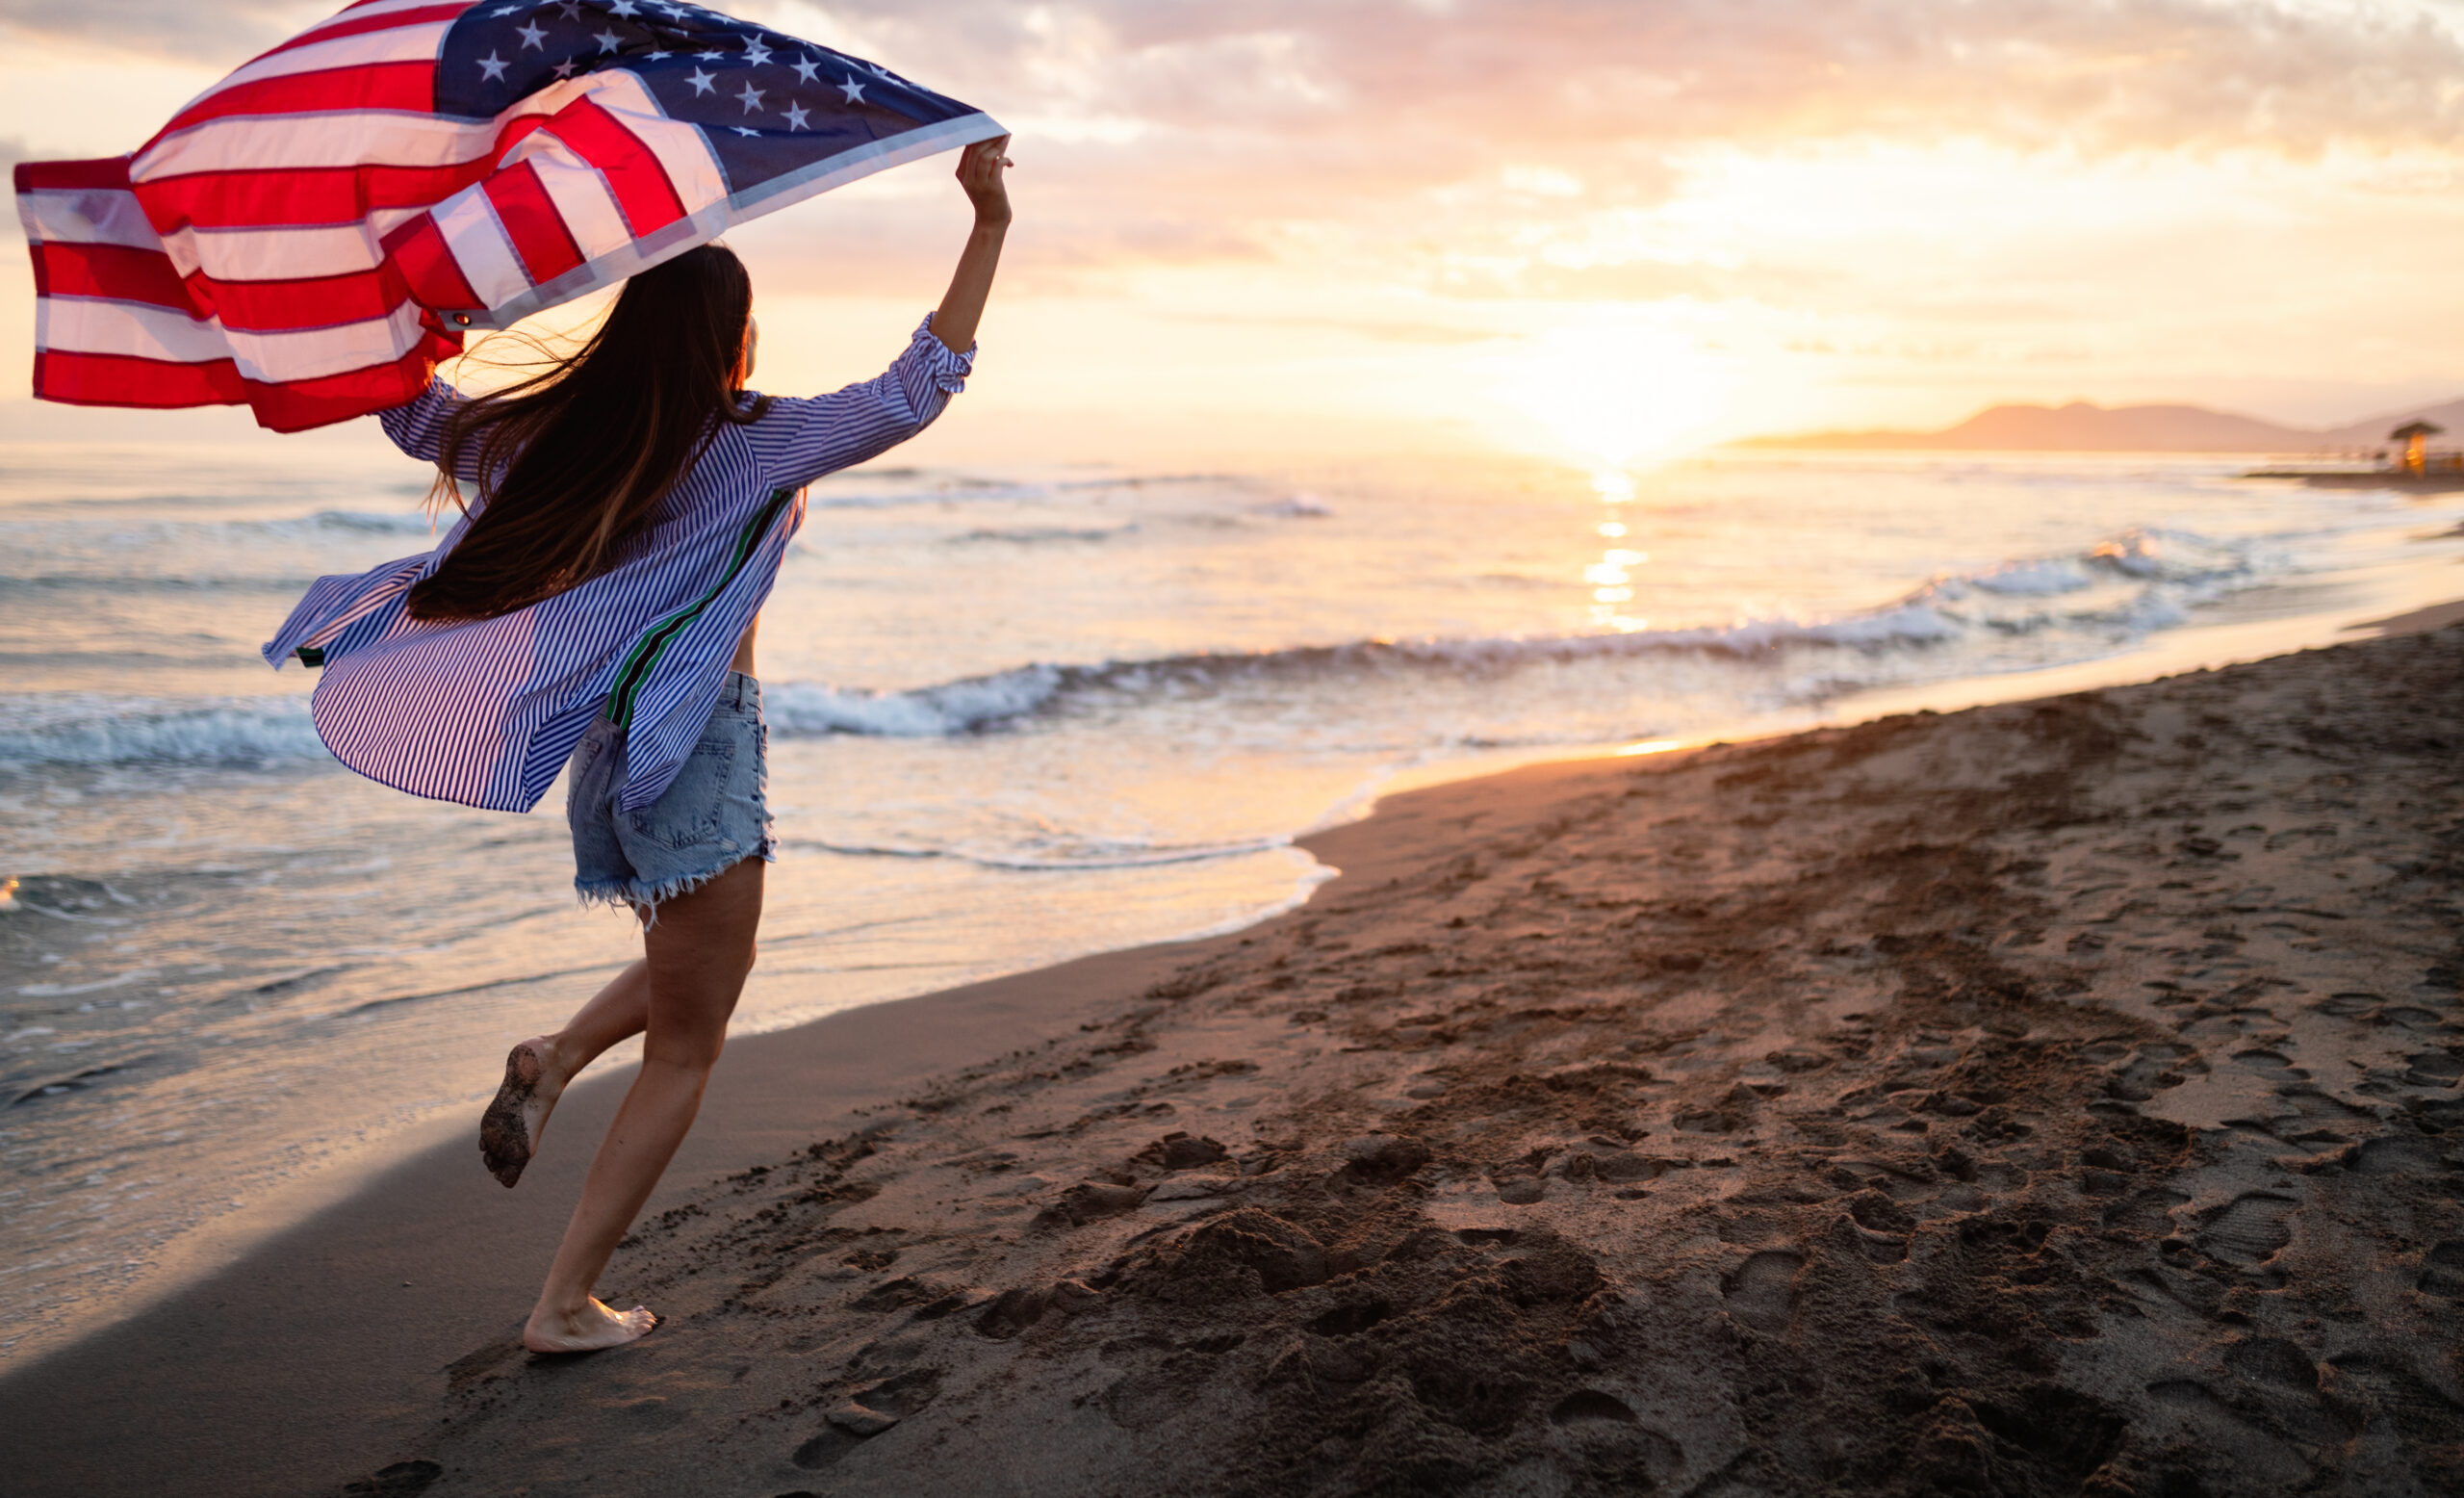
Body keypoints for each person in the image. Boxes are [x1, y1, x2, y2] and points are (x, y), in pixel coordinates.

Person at [264, 138, 1012, 1355]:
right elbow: (919, 385)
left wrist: (421, 299)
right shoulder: (753, 437)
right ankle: (563, 1303)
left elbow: (409, 411)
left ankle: (552, 1055)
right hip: (697, 749)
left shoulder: (559, 436)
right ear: (736, 339)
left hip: (610, 752)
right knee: (690, 1039)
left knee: (690, 973)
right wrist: (986, 221)